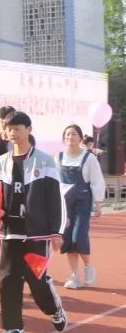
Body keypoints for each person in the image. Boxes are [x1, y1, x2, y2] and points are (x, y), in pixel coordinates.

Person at [0, 111, 68, 333]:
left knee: (36, 281)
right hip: (9, 231)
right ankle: (14, 329)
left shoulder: (44, 160)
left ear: (29, 130)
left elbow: (55, 198)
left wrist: (57, 232)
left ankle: (54, 309)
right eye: (9, 129)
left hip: (37, 232)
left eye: (17, 128)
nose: (13, 133)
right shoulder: (0, 162)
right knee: (8, 279)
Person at [55, 124, 105, 290]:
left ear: (80, 137)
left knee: (79, 236)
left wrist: (98, 203)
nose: (70, 137)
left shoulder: (88, 158)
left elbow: (97, 180)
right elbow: (54, 181)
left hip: (82, 202)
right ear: (64, 138)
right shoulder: (58, 157)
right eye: (67, 134)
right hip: (64, 204)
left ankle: (88, 266)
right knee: (68, 239)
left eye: (74, 134)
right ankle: (75, 275)